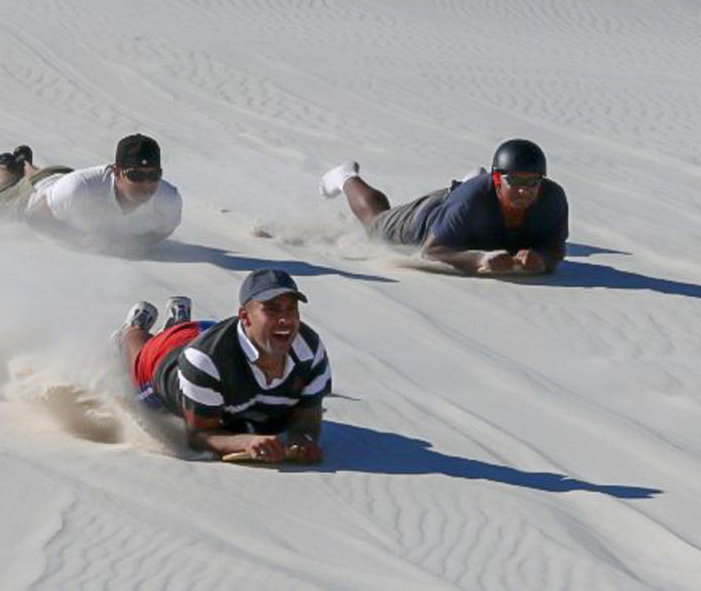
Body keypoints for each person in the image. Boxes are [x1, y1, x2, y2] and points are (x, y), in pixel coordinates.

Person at [111, 269, 331, 464]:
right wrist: (244, 442)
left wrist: (303, 441)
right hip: (166, 360)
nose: (285, 319)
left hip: (210, 334)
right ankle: (131, 330)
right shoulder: (204, 361)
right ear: (245, 316)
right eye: (272, 310)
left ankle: (178, 323)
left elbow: (306, 422)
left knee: (188, 339)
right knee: (140, 362)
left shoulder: (310, 351)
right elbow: (199, 435)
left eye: (291, 309)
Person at [319, 138, 568, 275]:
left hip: (468, 209)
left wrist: (542, 260)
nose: (524, 190)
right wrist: (480, 260)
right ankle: (345, 177)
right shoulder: (471, 201)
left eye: (532, 181)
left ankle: (468, 184)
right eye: (514, 181)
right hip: (427, 218)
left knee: (468, 209)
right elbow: (431, 252)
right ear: (496, 179)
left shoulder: (553, 200)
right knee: (376, 224)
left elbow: (555, 250)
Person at [0, 134, 182, 249]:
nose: (146, 184)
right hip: (36, 198)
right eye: (135, 175)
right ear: (116, 172)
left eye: (154, 175)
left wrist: (129, 244)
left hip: (61, 186)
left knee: (54, 185)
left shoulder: (169, 200)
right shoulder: (80, 189)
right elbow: (35, 218)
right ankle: (0, 169)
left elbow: (160, 232)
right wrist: (77, 239)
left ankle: (24, 162)